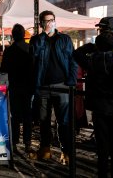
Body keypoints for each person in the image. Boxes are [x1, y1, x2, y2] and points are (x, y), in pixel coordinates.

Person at [73, 31, 113, 178]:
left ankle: (102, 173)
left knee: (102, 145)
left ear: (98, 45)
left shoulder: (92, 62)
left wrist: (90, 47)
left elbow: (76, 53)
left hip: (98, 107)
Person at [29, 10, 78, 165]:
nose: (49, 23)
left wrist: (71, 80)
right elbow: (33, 57)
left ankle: (66, 151)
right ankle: (45, 150)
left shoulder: (64, 39)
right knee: (43, 120)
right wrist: (44, 35)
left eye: (51, 20)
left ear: (55, 21)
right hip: (42, 87)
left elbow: (72, 60)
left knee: (63, 121)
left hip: (62, 85)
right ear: (41, 24)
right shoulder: (36, 40)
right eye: (45, 21)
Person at [0, 24, 35, 157]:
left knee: (15, 115)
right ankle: (27, 143)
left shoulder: (9, 50)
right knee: (27, 115)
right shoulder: (30, 48)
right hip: (28, 86)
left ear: (13, 35)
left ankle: (14, 141)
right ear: (23, 35)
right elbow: (34, 67)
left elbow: (3, 69)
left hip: (14, 86)